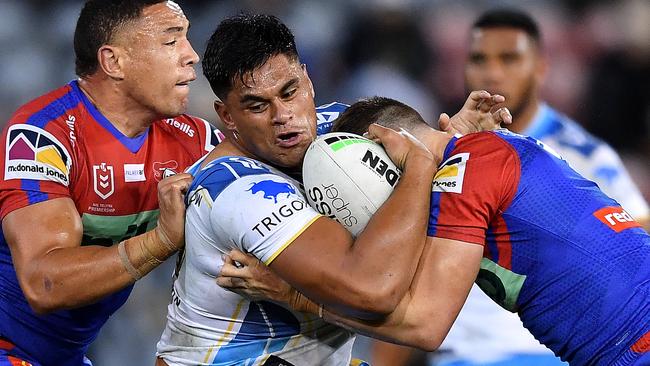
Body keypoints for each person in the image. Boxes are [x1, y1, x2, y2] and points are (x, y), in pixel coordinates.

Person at [154, 14, 509, 366]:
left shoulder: (341, 127)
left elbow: (407, 196)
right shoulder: (236, 192)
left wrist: (448, 146)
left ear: (308, 79)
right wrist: (421, 165)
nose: (283, 116)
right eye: (258, 106)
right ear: (227, 116)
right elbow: (374, 291)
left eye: (289, 92)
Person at [220, 96, 650, 366]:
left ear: (383, 143)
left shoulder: (464, 173)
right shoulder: (492, 150)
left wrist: (291, 294)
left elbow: (424, 326)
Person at [0, 1, 223, 365]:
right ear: (113, 61)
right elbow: (44, 284)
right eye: (171, 41)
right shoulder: (41, 136)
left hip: (68, 357)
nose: (192, 55)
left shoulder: (191, 139)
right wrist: (160, 242)